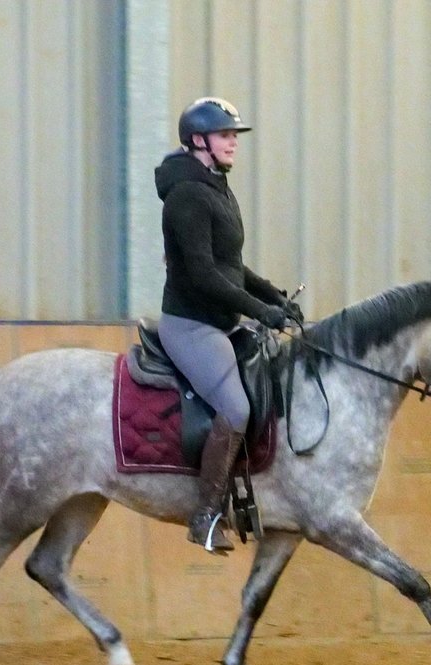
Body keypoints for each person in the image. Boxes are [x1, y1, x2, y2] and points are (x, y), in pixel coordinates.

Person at [154, 96, 301, 554]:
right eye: (225, 135)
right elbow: (202, 275)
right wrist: (260, 312)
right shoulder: (187, 196)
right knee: (235, 409)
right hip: (191, 325)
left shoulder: (215, 185)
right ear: (199, 141)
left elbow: (231, 266)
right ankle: (206, 515)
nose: (233, 143)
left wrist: (271, 294)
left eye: (234, 135)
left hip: (220, 321)